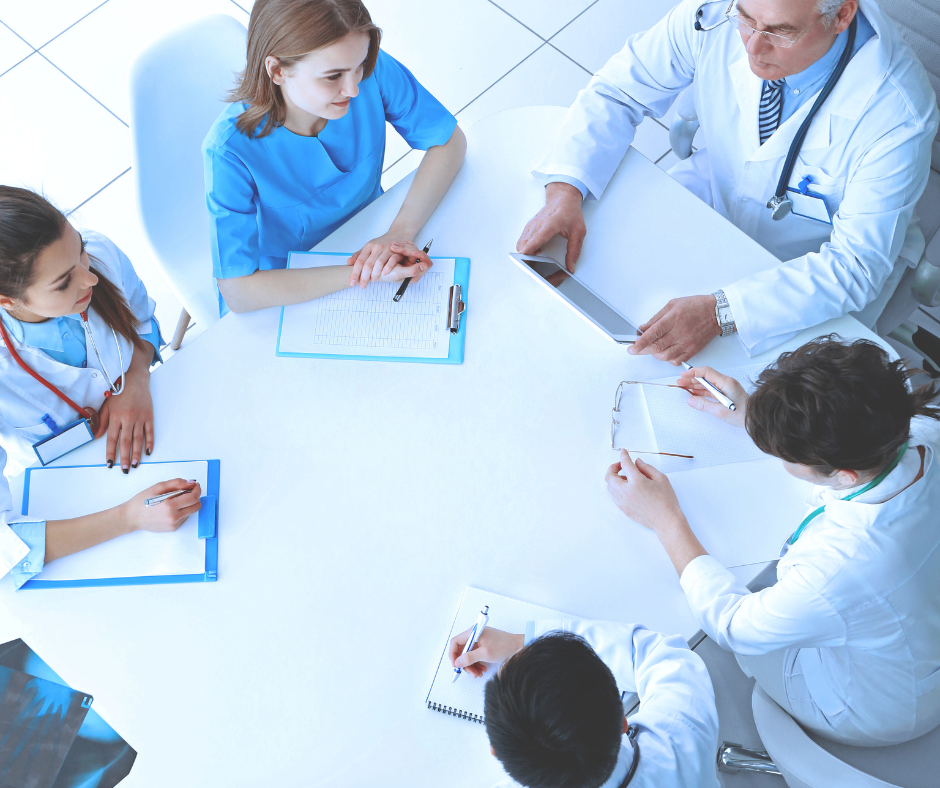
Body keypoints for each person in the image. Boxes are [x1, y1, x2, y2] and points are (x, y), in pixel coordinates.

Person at [517, 0, 939, 363]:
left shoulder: (897, 112)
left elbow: (855, 266)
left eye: (781, 31)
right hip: (714, 199)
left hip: (809, 271)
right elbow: (619, 91)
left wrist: (722, 313)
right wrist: (565, 191)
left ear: (842, 14)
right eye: (746, 18)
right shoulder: (716, 13)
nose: (752, 47)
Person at [605, 335, 940, 745]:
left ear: (844, 475)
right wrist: (757, 412)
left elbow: (733, 626)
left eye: (787, 454)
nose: (779, 456)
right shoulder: (919, 427)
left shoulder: (838, 566)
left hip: (882, 708)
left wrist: (665, 519)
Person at [203, 0, 466, 315]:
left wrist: (399, 233)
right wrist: (367, 272)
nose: (354, 89)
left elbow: (449, 141)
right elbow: (238, 291)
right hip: (286, 282)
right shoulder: (228, 150)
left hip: (372, 231)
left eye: (359, 66)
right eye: (333, 77)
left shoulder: (369, 70)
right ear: (277, 71)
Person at [0, 187, 203, 587]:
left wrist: (137, 376)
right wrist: (128, 518)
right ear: (8, 301)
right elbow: (6, 554)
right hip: (66, 496)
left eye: (79, 252)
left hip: (159, 440)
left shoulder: (100, 256)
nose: (89, 277)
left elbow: (145, 323)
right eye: (63, 283)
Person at [450, 620, 719, 788]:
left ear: (495, 752)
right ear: (621, 721)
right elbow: (659, 655)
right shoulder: (684, 731)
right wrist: (522, 641)